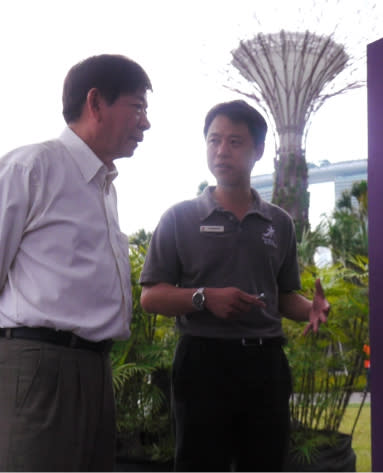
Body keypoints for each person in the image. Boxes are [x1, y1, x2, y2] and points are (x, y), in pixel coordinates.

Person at [139, 99, 330, 472]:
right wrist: (203, 298)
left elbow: (282, 296)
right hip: (202, 361)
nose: (221, 151)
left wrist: (310, 308)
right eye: (214, 140)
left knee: (265, 463)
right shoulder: (180, 218)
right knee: (199, 464)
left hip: (265, 363)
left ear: (258, 151)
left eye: (235, 142)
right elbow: (150, 297)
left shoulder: (279, 223)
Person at [0, 54, 152, 471]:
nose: (145, 123)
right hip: (38, 367)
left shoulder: (104, 188)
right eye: (137, 107)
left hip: (95, 367)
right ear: (96, 103)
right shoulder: (31, 167)